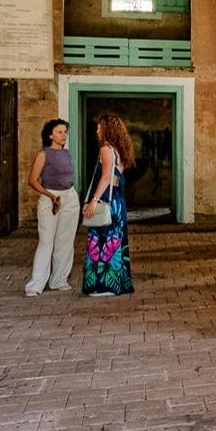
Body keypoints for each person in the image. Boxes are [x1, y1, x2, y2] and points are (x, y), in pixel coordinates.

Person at [81, 113, 135, 297]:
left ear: (106, 129)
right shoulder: (120, 149)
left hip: (106, 198)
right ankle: (118, 284)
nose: (96, 130)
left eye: (99, 127)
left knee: (101, 240)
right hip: (118, 200)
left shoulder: (106, 148)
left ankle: (106, 287)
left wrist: (93, 201)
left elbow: (105, 177)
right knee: (116, 240)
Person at [23, 118, 78, 296]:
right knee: (46, 241)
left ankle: (59, 280)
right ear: (50, 135)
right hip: (50, 198)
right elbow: (32, 180)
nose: (64, 135)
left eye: (65, 132)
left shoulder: (67, 153)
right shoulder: (43, 153)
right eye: (60, 132)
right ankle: (36, 284)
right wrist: (51, 196)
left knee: (65, 241)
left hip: (69, 197)